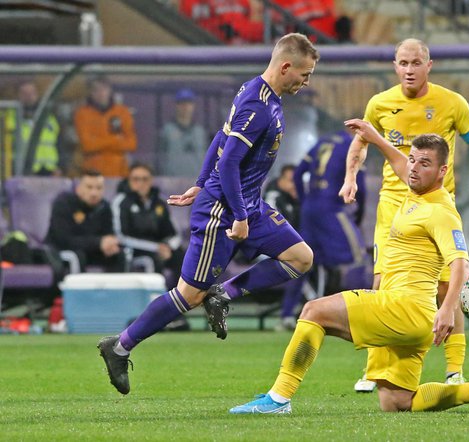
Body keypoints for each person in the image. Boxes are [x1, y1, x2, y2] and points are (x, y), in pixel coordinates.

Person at [229, 127, 469, 414]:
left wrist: (447, 309)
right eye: (414, 160)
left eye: (425, 163)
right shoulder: (416, 192)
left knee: (313, 311)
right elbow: (400, 163)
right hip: (413, 320)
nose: (414, 168)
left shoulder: (440, 210)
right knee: (397, 402)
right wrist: (375, 138)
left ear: (442, 172)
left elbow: (461, 262)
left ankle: (278, 397)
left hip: (404, 308)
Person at [97, 33, 320, 395]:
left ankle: (226, 294)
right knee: (188, 295)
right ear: (285, 67)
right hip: (224, 211)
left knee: (300, 257)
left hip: (247, 202)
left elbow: (221, 137)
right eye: (305, 74)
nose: (306, 82)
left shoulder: (263, 93)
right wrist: (238, 214)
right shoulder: (257, 105)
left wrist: (200, 182)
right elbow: (230, 160)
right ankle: (119, 347)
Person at [339, 38, 469, 392]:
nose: (409, 70)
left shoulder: (452, 103)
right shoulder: (380, 103)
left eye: (416, 63)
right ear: (395, 66)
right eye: (402, 63)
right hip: (393, 208)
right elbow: (361, 141)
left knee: (447, 288)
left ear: (430, 65)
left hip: (436, 207)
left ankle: (454, 370)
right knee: (382, 285)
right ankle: (373, 370)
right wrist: (351, 177)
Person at [292, 128, 369, 299]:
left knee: (303, 260)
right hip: (332, 209)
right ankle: (358, 308)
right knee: (357, 257)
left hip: (310, 209)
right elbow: (361, 188)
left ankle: (288, 314)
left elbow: (297, 174)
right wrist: (359, 215)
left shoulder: (322, 142)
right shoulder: (353, 146)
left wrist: (305, 201)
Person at [112, 163, 185, 287]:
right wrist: (156, 247)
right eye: (136, 179)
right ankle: (155, 300)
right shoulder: (121, 202)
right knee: (152, 259)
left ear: (151, 181)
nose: (140, 183)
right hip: (135, 249)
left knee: (182, 256)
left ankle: (181, 299)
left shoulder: (160, 202)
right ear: (129, 181)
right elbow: (121, 236)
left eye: (145, 179)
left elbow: (174, 233)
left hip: (160, 247)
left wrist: (168, 246)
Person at [46, 169, 125, 272]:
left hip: (92, 250)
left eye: (99, 188)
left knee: (118, 255)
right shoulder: (64, 204)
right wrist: (98, 242)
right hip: (61, 251)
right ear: (79, 188)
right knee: (77, 256)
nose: (94, 193)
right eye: (89, 187)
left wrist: (110, 244)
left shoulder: (104, 207)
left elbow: (108, 234)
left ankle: (114, 287)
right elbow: (64, 239)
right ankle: (76, 288)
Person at [264, 164, 303, 330]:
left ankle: (297, 310)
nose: (293, 184)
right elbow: (271, 228)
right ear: (280, 180)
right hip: (265, 247)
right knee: (302, 267)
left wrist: (297, 200)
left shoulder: (292, 197)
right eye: (289, 180)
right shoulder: (273, 197)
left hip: (286, 247)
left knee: (310, 263)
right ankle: (290, 314)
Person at [74, 75, 137, 177]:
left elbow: (131, 144)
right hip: (93, 172)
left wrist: (98, 141)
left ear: (110, 90)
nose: (101, 93)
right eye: (96, 90)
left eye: (104, 89)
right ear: (90, 92)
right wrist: (116, 140)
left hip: (120, 172)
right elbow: (87, 145)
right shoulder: (82, 114)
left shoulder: (122, 112)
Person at [4, 79, 61, 176]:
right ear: (17, 96)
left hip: (49, 170)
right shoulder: (8, 119)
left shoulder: (48, 117)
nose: (29, 96)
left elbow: (59, 143)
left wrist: (60, 166)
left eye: (32, 93)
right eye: (24, 93)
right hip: (21, 171)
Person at [157, 88, 208, 178]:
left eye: (189, 103)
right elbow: (159, 157)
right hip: (172, 180)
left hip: (195, 181)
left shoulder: (200, 131)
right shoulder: (167, 130)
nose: (185, 107)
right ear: (176, 105)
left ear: (193, 106)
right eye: (182, 103)